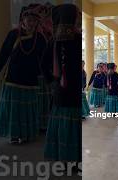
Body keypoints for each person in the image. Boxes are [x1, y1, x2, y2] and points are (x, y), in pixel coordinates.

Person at [0, 5, 47, 144]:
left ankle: (26, 134)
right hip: (13, 78)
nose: (31, 23)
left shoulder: (40, 38)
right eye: (29, 20)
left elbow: (45, 60)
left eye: (34, 20)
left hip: (31, 79)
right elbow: (3, 54)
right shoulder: (14, 34)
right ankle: (14, 135)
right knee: (14, 109)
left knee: (26, 109)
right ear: (23, 20)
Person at [44, 4, 82, 172]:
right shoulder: (77, 38)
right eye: (76, 17)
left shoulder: (54, 40)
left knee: (63, 128)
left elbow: (43, 64)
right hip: (72, 92)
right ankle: (73, 162)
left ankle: (64, 160)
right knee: (72, 128)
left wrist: (52, 81)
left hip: (61, 91)